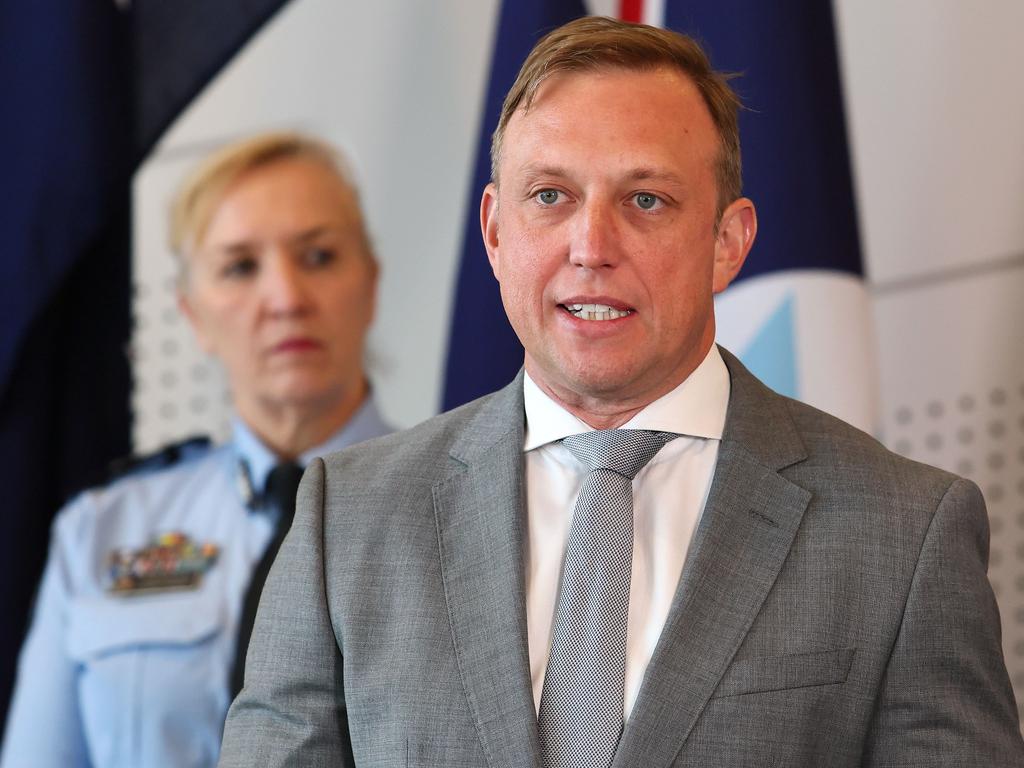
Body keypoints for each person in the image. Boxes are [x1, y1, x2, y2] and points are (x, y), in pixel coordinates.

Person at [218, 18, 1024, 767]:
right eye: (551, 197)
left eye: (646, 200)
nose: (591, 246)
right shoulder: (347, 519)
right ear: (496, 232)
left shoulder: (906, 533)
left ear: (727, 241)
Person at [0, 132, 393, 768]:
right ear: (191, 314)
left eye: (318, 256)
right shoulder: (100, 535)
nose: (287, 299)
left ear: (371, 283)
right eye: (240, 267)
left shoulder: (460, 508)